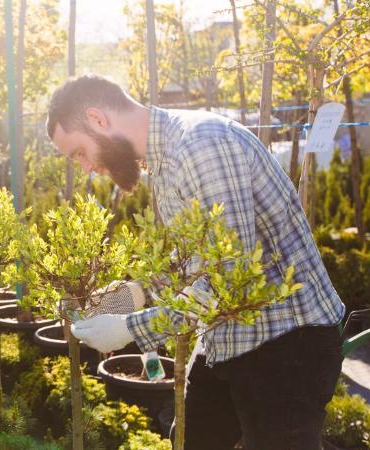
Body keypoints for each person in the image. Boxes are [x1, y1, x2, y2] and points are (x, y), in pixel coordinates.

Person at [47, 74, 345, 450]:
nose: (87, 168)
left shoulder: (201, 144)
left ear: (98, 119)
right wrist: (132, 295)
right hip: (229, 338)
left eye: (79, 153)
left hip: (287, 344)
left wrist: (132, 329)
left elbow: (228, 279)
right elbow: (196, 259)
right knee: (192, 439)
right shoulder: (165, 162)